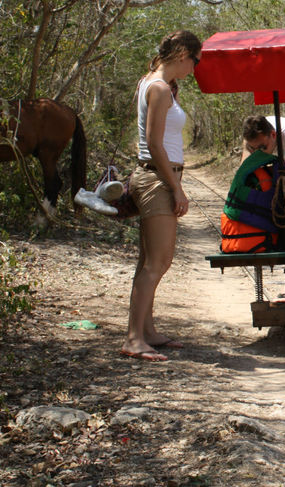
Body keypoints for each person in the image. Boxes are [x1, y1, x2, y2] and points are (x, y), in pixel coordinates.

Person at [121, 30, 201, 362]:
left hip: (156, 178)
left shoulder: (156, 84)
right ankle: (134, 338)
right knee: (158, 263)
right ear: (182, 54)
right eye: (195, 61)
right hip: (157, 180)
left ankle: (147, 331)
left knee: (150, 261)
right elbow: (154, 145)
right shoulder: (157, 88)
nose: (194, 69)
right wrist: (177, 187)